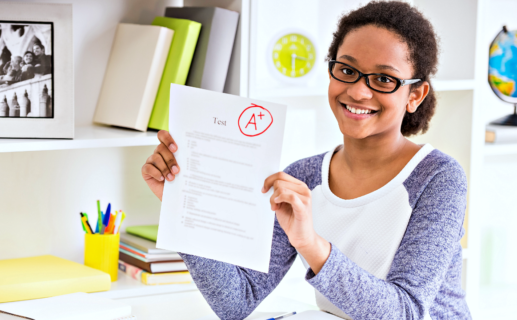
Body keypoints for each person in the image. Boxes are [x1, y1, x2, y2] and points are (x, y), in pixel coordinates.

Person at [141, 2, 470, 319]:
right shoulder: (305, 176)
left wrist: (310, 244)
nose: (358, 92)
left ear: (415, 95)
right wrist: (181, 204)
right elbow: (236, 301)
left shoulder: (438, 178)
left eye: (384, 79)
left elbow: (406, 312)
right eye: (347, 70)